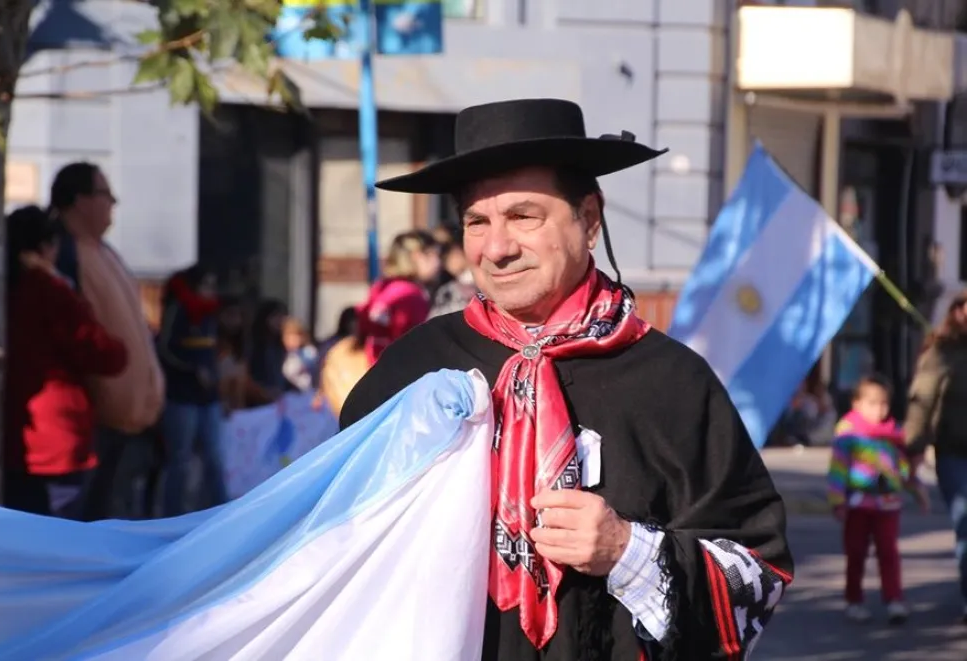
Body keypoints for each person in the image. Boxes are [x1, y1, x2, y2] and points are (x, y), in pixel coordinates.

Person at [339, 98, 792, 660]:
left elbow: (759, 574)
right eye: (476, 222)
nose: (497, 248)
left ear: (590, 218)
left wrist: (628, 551)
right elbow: (338, 545)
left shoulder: (673, 381)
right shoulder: (411, 370)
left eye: (524, 216)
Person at [49, 162, 165, 520]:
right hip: (88, 428)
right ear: (80, 200)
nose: (113, 204)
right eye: (105, 195)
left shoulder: (105, 251)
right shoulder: (62, 253)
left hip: (124, 426)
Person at [3, 205, 127, 519]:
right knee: (59, 543)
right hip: (55, 437)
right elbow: (102, 352)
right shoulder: (51, 291)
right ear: (46, 247)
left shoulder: (2, 290)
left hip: (12, 435)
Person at [827, 375, 928, 625]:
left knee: (888, 552)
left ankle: (894, 598)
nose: (879, 409)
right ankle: (854, 599)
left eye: (884, 403)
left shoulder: (892, 434)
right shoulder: (848, 434)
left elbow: (901, 467)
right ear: (856, 404)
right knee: (856, 553)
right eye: (872, 403)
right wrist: (837, 500)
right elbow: (838, 469)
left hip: (888, 504)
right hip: (857, 504)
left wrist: (915, 487)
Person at [905, 290, 967, 624]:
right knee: (966, 519)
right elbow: (922, 399)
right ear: (958, 311)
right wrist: (913, 446)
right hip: (956, 453)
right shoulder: (942, 351)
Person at [156, 265, 228, 516]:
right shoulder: (179, 310)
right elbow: (165, 349)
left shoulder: (210, 314)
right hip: (182, 396)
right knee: (180, 460)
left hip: (208, 397)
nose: (211, 291)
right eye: (206, 285)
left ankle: (220, 511)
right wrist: (193, 369)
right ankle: (172, 514)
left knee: (214, 457)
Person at [355, 230, 440, 364]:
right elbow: (417, 344)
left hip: (372, 369)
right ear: (417, 257)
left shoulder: (381, 287)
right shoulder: (410, 295)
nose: (438, 262)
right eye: (434, 254)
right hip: (397, 374)